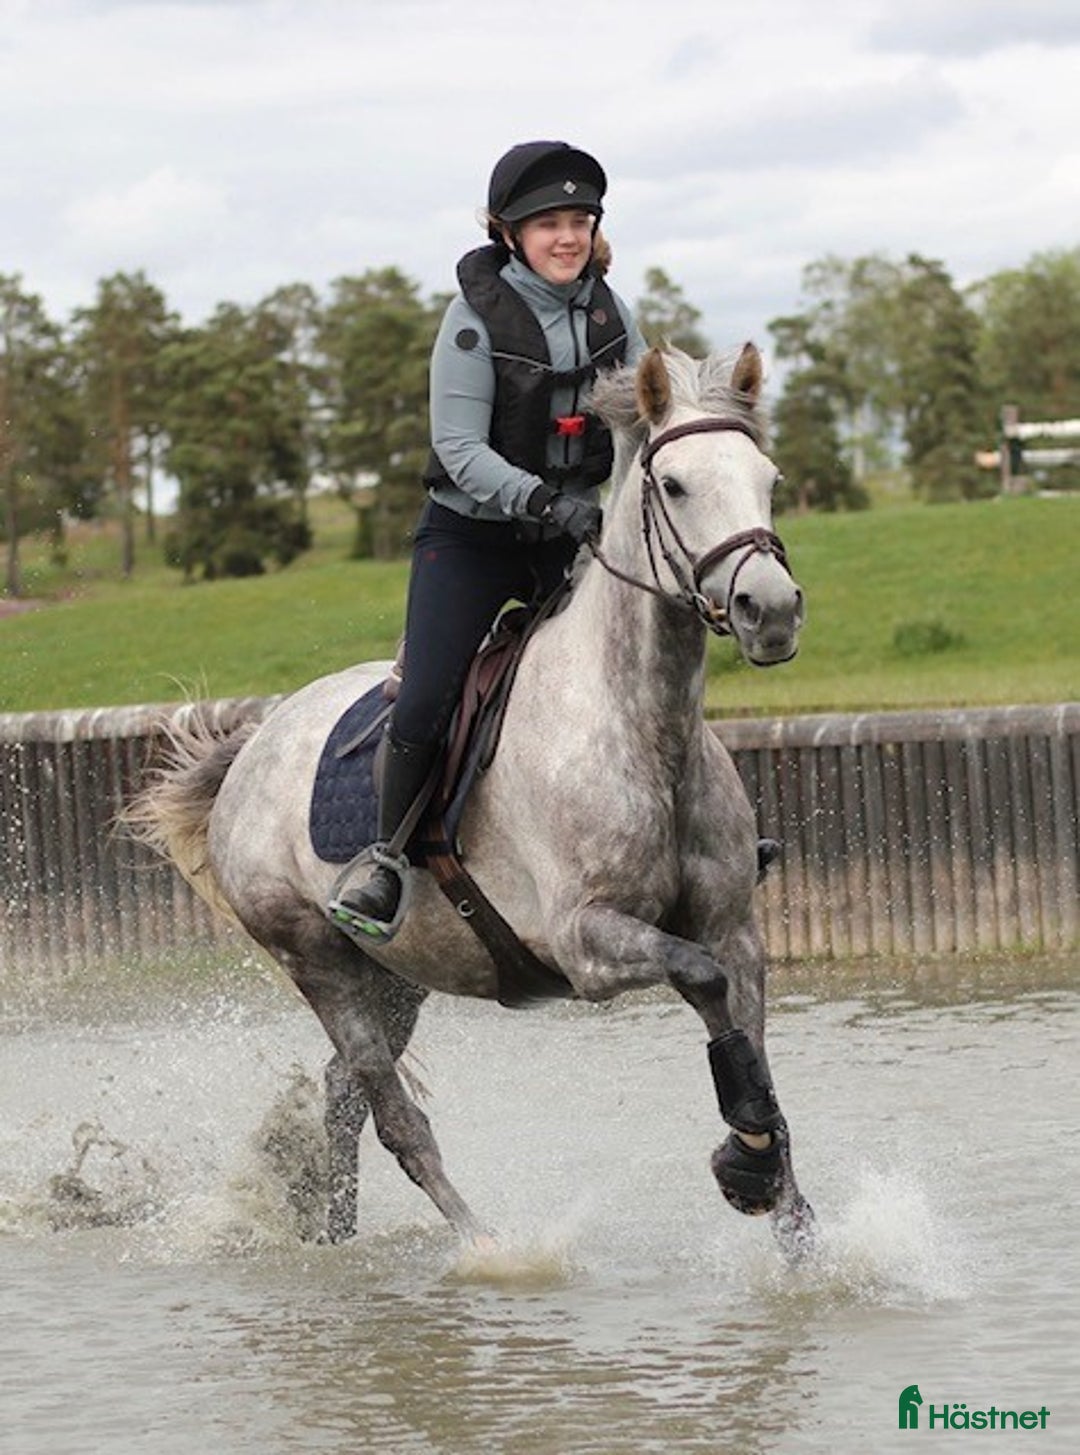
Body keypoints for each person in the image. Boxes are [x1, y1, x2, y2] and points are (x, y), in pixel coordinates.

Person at [331, 139, 648, 941]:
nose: (568, 237)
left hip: (566, 534)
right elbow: (463, 452)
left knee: (644, 657)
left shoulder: (612, 315)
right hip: (471, 539)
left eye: (580, 221)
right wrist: (550, 501)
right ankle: (386, 859)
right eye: (549, 224)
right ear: (509, 232)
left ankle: (692, 836)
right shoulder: (473, 320)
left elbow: (649, 413)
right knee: (432, 693)